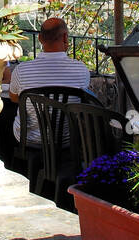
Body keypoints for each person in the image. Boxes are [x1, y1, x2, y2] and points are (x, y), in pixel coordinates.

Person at [6, 17, 90, 146]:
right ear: (65, 37)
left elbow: (14, 98)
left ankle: (13, 161)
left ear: (39, 38)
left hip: (29, 140)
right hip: (66, 141)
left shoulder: (21, 70)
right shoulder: (81, 70)